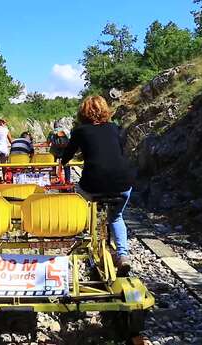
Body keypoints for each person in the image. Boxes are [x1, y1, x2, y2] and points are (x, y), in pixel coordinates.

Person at [61, 95, 134, 275]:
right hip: (123, 182)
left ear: (83, 113)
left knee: (78, 194)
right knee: (116, 217)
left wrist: (61, 163)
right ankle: (123, 255)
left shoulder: (80, 131)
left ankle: (84, 232)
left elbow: (68, 153)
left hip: (93, 183)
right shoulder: (114, 128)